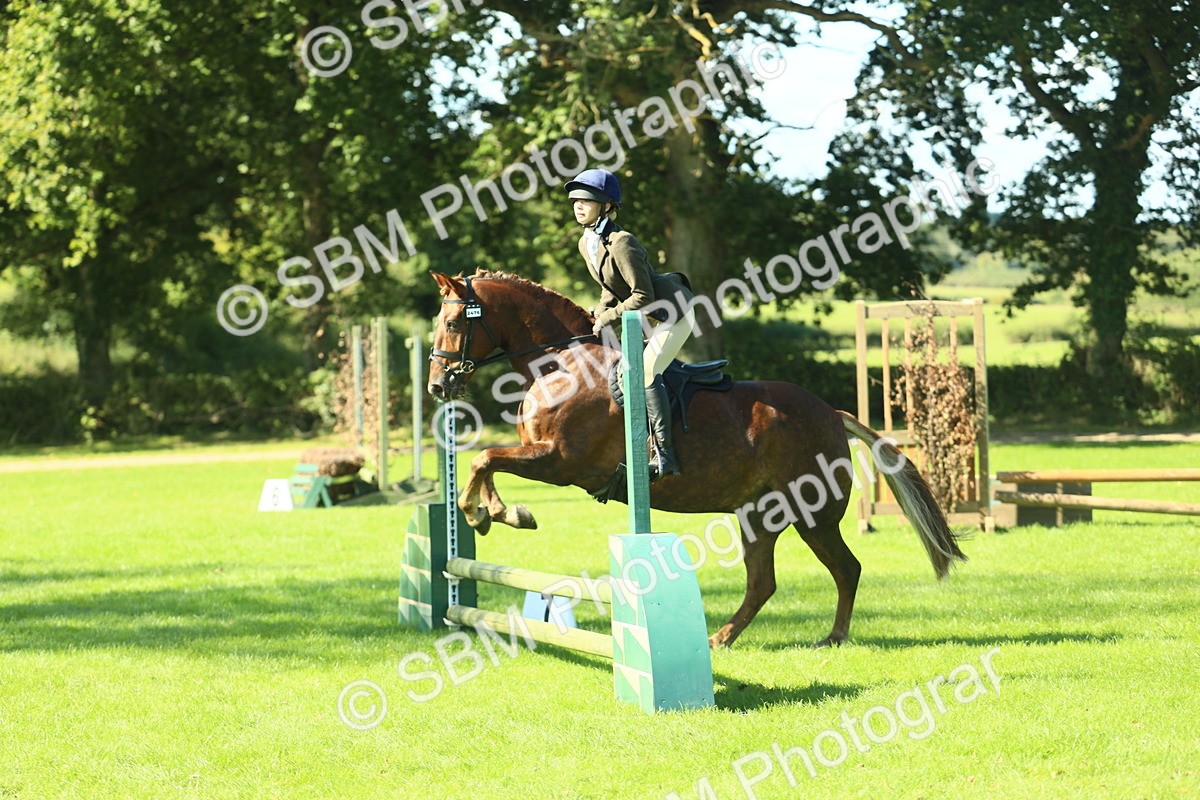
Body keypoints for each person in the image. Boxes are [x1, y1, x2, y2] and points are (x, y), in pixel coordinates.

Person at [564, 168, 697, 480]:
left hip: (671, 313)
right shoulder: (587, 243)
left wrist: (608, 318)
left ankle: (665, 454)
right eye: (575, 200)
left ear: (607, 206)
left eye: (587, 200)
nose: (579, 205)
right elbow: (610, 289)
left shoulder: (623, 241)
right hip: (645, 316)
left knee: (646, 371)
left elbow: (642, 294)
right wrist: (597, 315)